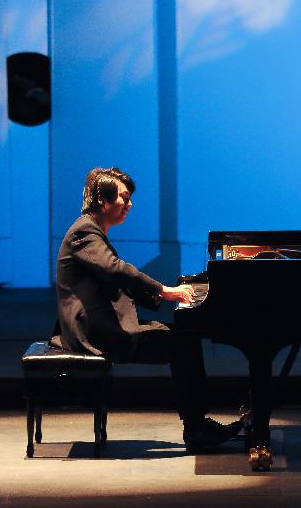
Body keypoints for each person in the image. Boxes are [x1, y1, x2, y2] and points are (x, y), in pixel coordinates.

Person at [51, 166, 240, 449]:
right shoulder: (84, 232)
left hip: (103, 325)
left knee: (182, 338)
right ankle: (197, 427)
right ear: (102, 199)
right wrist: (164, 292)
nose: (129, 204)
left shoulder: (91, 231)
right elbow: (117, 270)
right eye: (124, 198)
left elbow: (118, 282)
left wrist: (163, 296)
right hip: (97, 333)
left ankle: (197, 424)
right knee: (184, 344)